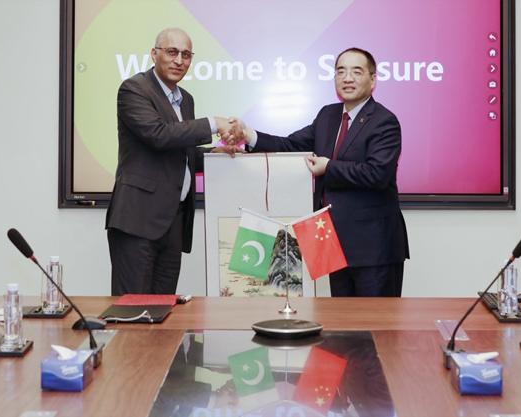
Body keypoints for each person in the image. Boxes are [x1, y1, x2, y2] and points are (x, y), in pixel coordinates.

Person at [228, 48, 409, 297]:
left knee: (376, 321)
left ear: (373, 79)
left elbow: (377, 173)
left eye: (356, 72)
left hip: (373, 248)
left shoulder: (384, 121)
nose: (347, 78)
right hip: (333, 243)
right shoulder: (328, 115)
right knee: (341, 319)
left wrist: (328, 167)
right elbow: (290, 145)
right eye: (341, 71)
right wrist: (247, 134)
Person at [105, 28, 245, 295]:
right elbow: (158, 135)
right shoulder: (134, 89)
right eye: (172, 52)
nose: (179, 60)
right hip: (138, 220)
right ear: (154, 54)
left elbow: (179, 154)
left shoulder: (185, 99)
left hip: (173, 223)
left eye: (186, 55)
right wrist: (214, 123)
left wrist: (212, 155)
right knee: (133, 312)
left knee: (163, 311)